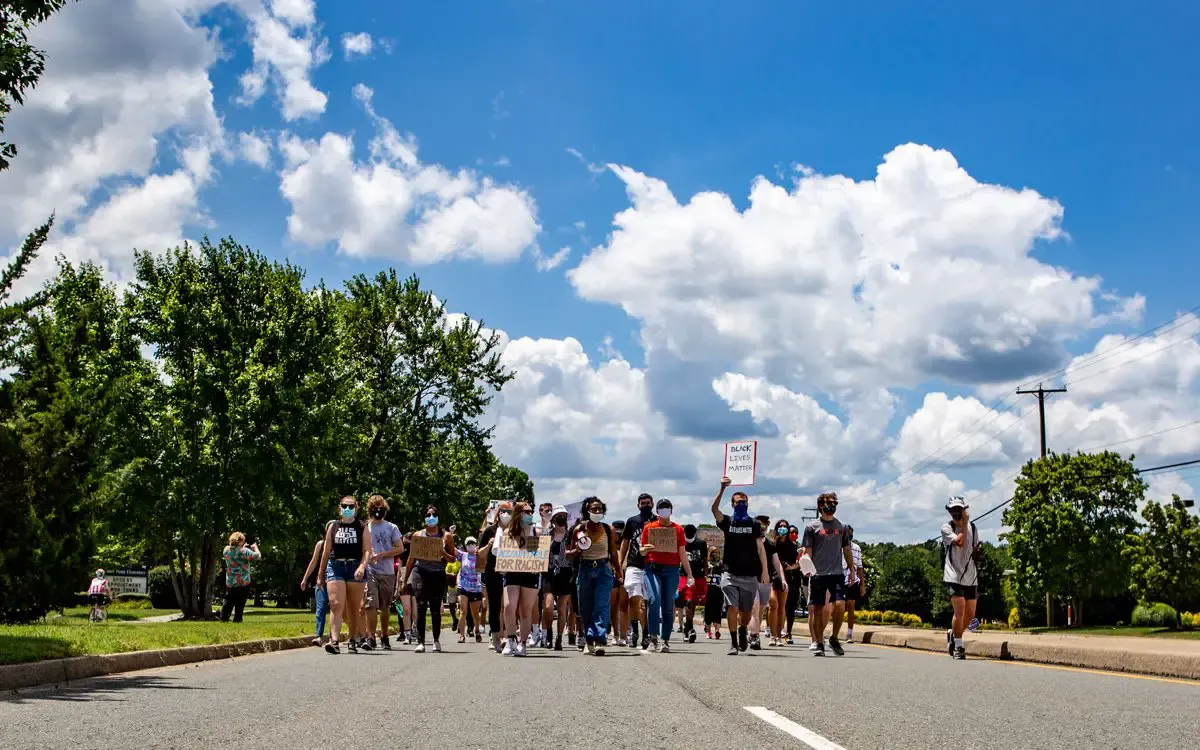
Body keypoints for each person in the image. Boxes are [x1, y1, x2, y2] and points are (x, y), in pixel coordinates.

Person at [711, 477, 769, 655]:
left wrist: (764, 571)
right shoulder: (728, 522)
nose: (741, 504)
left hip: (750, 574)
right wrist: (722, 489)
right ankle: (734, 643)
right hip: (730, 573)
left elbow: (760, 548)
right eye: (738, 502)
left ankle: (743, 630)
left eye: (744, 501)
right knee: (731, 607)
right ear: (732, 504)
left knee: (746, 612)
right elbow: (714, 510)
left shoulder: (753, 524)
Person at [800, 492, 855, 656]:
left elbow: (846, 549)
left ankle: (834, 637)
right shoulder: (812, 527)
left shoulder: (842, 527)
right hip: (818, 574)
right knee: (817, 609)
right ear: (820, 506)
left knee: (840, 605)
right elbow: (808, 550)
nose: (832, 506)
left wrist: (851, 570)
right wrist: (806, 565)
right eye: (828, 503)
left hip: (837, 572)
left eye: (834, 503)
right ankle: (818, 642)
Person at [317, 496, 373, 653]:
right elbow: (326, 551)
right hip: (335, 566)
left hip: (355, 566)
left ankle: (353, 639)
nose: (347, 509)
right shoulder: (333, 526)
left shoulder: (362, 527)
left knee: (354, 608)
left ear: (356, 508)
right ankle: (333, 640)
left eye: (351, 506)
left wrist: (362, 566)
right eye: (344, 506)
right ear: (339, 508)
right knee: (335, 604)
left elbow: (368, 550)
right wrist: (320, 574)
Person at [568, 496, 622, 655]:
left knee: (601, 605)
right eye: (594, 509)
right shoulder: (579, 530)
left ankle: (599, 639)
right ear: (587, 511)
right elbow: (568, 552)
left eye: (600, 509)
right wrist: (577, 551)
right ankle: (588, 639)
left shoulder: (608, 529)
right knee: (585, 607)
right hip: (585, 569)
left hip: (603, 571)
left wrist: (619, 572)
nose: (597, 512)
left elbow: (613, 553)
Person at [639, 499, 694, 653]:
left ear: (671, 510)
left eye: (667, 507)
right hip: (652, 568)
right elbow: (641, 551)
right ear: (657, 511)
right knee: (654, 600)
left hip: (671, 569)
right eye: (661, 508)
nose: (664, 510)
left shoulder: (678, 529)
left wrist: (689, 574)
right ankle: (653, 637)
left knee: (668, 606)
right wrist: (646, 549)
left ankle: (665, 640)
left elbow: (682, 552)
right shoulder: (649, 528)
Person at [403, 505, 456, 653]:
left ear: (438, 517)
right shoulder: (417, 536)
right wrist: (405, 579)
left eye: (434, 514)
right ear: (424, 518)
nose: (431, 517)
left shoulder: (446, 537)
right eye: (428, 514)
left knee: (435, 608)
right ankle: (420, 641)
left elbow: (453, 559)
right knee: (420, 605)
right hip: (420, 572)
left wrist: (442, 554)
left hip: (438, 573)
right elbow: (411, 558)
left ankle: (436, 640)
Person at [941, 496, 980, 661]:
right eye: (953, 510)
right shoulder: (946, 528)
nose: (957, 513)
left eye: (960, 509)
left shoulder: (973, 527)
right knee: (960, 609)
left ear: (965, 509)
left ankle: (953, 634)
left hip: (970, 574)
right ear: (949, 512)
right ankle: (958, 646)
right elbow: (960, 542)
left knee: (970, 614)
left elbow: (974, 545)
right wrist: (964, 523)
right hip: (953, 573)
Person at [364, 494, 403, 650]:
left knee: (385, 607)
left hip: (387, 572)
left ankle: (385, 636)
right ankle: (370, 637)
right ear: (370, 510)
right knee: (370, 604)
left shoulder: (391, 527)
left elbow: (400, 548)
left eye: (381, 508)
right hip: (370, 570)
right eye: (375, 509)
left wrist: (383, 554)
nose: (378, 511)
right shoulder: (365, 527)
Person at [619, 492, 655, 649]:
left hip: (651, 566)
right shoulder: (632, 521)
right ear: (638, 505)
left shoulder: (658, 521)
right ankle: (634, 630)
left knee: (644, 603)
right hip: (634, 565)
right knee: (633, 600)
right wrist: (619, 565)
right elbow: (624, 544)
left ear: (652, 504)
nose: (645, 505)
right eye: (643, 503)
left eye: (648, 503)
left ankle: (645, 632)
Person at [477, 501, 514, 653]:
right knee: (494, 605)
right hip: (493, 571)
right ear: (497, 514)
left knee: (508, 605)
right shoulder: (490, 531)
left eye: (509, 512)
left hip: (511, 572)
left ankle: (508, 635)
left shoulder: (515, 531)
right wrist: (489, 545)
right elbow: (479, 554)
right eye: (503, 511)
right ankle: (495, 635)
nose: (506, 515)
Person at [540, 506, 574, 650]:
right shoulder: (547, 534)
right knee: (548, 606)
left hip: (566, 572)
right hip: (549, 572)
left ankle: (559, 638)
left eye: (563, 515)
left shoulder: (571, 535)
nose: (561, 518)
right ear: (553, 519)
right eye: (558, 515)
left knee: (561, 608)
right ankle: (548, 633)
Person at [748, 515, 784, 650]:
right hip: (751, 579)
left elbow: (776, 562)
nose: (763, 528)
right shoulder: (749, 541)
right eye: (760, 525)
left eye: (765, 525)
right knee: (755, 607)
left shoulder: (770, 544)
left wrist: (782, 578)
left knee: (760, 611)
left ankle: (751, 630)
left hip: (765, 581)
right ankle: (754, 636)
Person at [220, 532, 261, 623]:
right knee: (240, 602)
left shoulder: (226, 550)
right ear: (240, 541)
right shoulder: (244, 551)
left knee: (228, 601)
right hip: (243, 582)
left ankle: (224, 618)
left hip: (230, 582)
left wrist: (242, 547)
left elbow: (235, 552)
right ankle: (237, 619)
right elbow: (257, 556)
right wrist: (255, 548)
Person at [679, 523, 708, 643]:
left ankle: (687, 625)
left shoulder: (701, 544)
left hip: (698, 576)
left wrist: (706, 574)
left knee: (694, 602)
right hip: (685, 576)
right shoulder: (681, 543)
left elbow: (705, 560)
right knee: (688, 601)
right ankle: (690, 628)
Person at [775, 521, 803, 645]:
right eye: (792, 532)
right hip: (776, 579)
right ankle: (775, 632)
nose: (794, 534)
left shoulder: (795, 547)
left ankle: (788, 632)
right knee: (776, 605)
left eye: (796, 533)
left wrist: (791, 567)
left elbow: (799, 564)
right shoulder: (774, 544)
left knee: (790, 608)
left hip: (793, 581)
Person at [300, 537, 328, 646]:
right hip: (321, 581)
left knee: (338, 610)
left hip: (336, 580)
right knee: (320, 609)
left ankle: (337, 638)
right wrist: (305, 579)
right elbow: (313, 561)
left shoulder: (340, 544)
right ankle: (319, 636)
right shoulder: (320, 545)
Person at [455, 536, 484, 643]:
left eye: (473, 543)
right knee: (463, 611)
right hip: (463, 586)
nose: (470, 545)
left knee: (475, 613)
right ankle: (462, 635)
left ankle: (477, 630)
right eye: (468, 544)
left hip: (476, 588)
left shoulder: (480, 556)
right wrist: (451, 535)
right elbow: (451, 548)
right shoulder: (463, 555)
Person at [842, 524, 865, 644]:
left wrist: (862, 584)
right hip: (840, 579)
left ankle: (849, 633)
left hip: (853, 581)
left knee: (851, 607)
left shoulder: (856, 548)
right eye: (847, 533)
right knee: (838, 607)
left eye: (851, 533)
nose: (849, 535)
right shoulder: (837, 547)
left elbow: (860, 567)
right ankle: (834, 631)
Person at [610, 519, 628, 646]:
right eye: (617, 532)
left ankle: (623, 635)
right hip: (611, 575)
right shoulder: (608, 544)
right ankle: (615, 634)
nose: (619, 535)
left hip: (626, 573)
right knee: (613, 606)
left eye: (621, 533)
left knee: (624, 605)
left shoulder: (627, 543)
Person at [703, 548, 724, 639]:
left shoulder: (721, 564)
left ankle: (717, 630)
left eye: (717, 552)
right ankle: (708, 631)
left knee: (717, 610)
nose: (715, 554)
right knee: (708, 610)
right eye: (713, 552)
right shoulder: (706, 564)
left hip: (718, 590)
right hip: (708, 590)